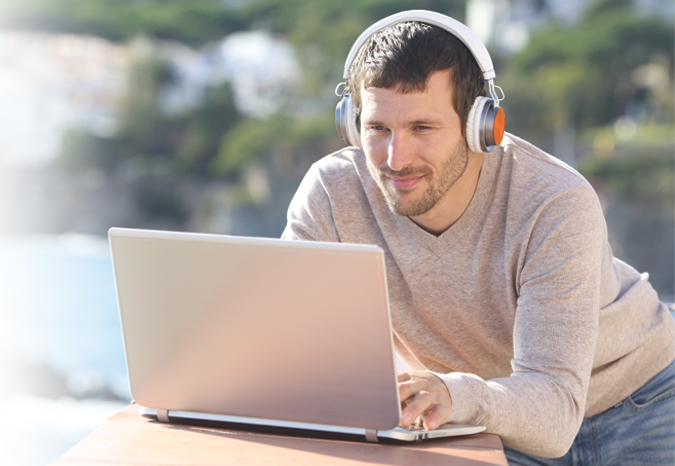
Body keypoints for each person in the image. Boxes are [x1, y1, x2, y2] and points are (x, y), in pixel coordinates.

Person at [281, 10, 675, 464]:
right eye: (377, 128)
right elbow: (291, 344)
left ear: (481, 126)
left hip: (641, 400)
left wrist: (454, 392)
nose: (395, 157)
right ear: (352, 124)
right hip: (489, 415)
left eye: (422, 128)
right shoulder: (332, 195)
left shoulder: (554, 202)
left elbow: (554, 413)